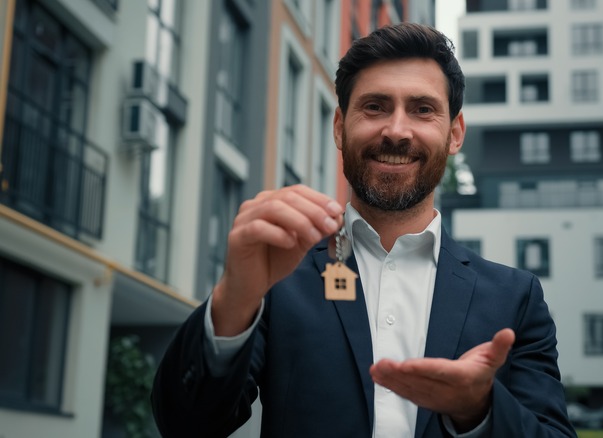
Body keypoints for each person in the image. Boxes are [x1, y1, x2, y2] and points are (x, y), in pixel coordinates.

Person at [151, 23, 576, 437]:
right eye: (374, 107)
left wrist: (478, 409)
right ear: (339, 127)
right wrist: (235, 294)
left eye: (422, 109)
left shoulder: (515, 298)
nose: (396, 131)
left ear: (454, 134)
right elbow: (185, 426)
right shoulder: (277, 276)